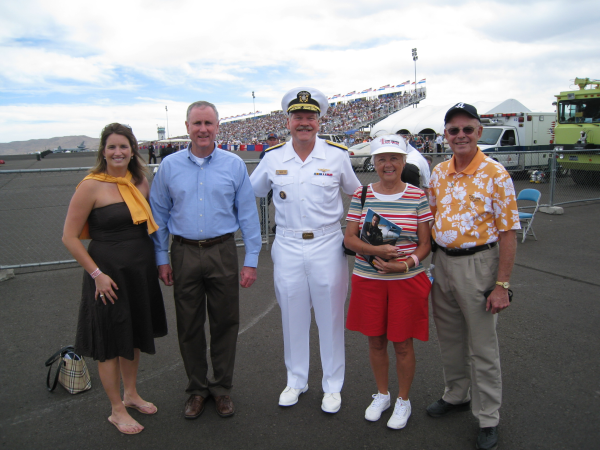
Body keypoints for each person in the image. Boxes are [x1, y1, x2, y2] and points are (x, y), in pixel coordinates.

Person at [250, 87, 361, 413]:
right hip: (286, 244)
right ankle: (296, 380)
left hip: (328, 243)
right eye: (298, 116)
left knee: (330, 316)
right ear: (288, 121)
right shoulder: (272, 158)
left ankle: (332, 386)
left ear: (319, 120)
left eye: (309, 117)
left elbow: (359, 194)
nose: (304, 122)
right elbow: (247, 191)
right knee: (293, 316)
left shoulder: (337, 155)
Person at [150, 100, 261, 420]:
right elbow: (159, 214)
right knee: (189, 325)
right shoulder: (169, 166)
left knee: (226, 322)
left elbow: (248, 214)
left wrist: (251, 258)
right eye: (197, 123)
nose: (202, 129)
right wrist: (161, 257)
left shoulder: (234, 164)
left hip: (222, 251)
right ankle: (197, 389)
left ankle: (222, 388)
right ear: (187, 127)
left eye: (208, 123)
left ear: (217, 127)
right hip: (183, 251)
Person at [62, 123, 167, 435]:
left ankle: (131, 394)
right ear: (103, 152)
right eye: (112, 147)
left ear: (132, 150)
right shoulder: (90, 186)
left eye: (124, 146)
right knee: (109, 341)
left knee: (132, 336)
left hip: (139, 272)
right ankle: (116, 410)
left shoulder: (140, 181)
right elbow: (69, 237)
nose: (118, 152)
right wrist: (97, 275)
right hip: (107, 276)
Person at [427, 103, 520, 450]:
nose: (461, 135)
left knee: (482, 346)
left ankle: (488, 417)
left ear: (479, 132)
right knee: (449, 339)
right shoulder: (439, 172)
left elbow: (508, 232)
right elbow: (432, 217)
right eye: (454, 130)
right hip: (443, 264)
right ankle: (456, 394)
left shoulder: (496, 174)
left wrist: (502, 285)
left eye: (468, 129)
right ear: (446, 135)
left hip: (479, 265)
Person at [344, 135, 432, 430]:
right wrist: (378, 251)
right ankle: (382, 394)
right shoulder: (363, 194)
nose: (388, 164)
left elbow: (424, 244)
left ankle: (403, 400)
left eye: (394, 158)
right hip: (369, 279)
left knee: (403, 344)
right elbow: (350, 239)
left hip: (405, 280)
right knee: (376, 340)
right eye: (382, 159)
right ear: (375, 163)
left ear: (404, 161)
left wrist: (404, 264)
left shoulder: (417, 195)